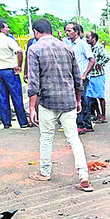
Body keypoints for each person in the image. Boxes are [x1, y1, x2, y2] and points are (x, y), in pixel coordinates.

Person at [26, 18, 93, 192]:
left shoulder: (34, 49)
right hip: (69, 100)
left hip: (48, 102)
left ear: (36, 32)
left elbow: (34, 82)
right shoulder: (67, 48)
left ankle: (45, 172)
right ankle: (83, 175)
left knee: (47, 138)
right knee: (74, 139)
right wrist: (78, 100)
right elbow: (77, 78)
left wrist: (32, 107)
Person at [63, 22, 95, 135]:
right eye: (66, 31)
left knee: (80, 100)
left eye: (69, 30)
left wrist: (85, 74)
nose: (67, 33)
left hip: (81, 77)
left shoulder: (82, 44)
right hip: (74, 77)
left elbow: (92, 60)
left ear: (76, 32)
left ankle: (81, 125)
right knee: (81, 100)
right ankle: (86, 124)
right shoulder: (70, 45)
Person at [85, 31, 110, 123]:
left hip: (98, 75)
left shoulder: (99, 47)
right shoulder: (89, 47)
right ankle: (98, 114)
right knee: (91, 96)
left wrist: (100, 64)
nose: (86, 39)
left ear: (93, 38)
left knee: (100, 96)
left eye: (88, 37)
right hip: (91, 75)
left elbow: (107, 57)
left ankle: (103, 116)